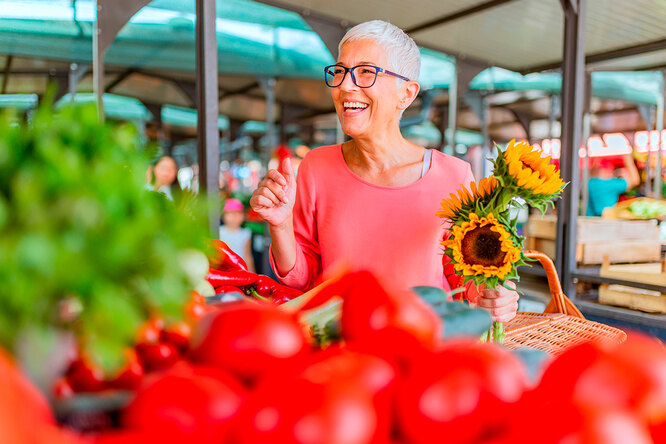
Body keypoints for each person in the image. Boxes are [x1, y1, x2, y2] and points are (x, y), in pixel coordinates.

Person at [250, 20, 518, 323]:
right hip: (336, 347)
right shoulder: (316, 166)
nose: (345, 85)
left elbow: (465, 282)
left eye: (366, 72)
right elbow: (299, 279)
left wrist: (495, 298)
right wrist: (281, 224)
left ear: (406, 93)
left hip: (422, 349)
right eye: (339, 72)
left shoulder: (454, 176)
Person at [587, 153, 640, 217]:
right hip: (605, 222)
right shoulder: (610, 184)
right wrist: (629, 162)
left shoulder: (591, 183)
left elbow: (592, 172)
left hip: (590, 220)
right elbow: (635, 180)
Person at [219, 198, 256, 273]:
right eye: (231, 213)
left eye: (239, 213)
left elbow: (247, 255)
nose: (235, 217)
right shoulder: (219, 231)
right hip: (223, 270)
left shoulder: (245, 233)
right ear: (223, 216)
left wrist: (252, 272)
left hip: (240, 269)